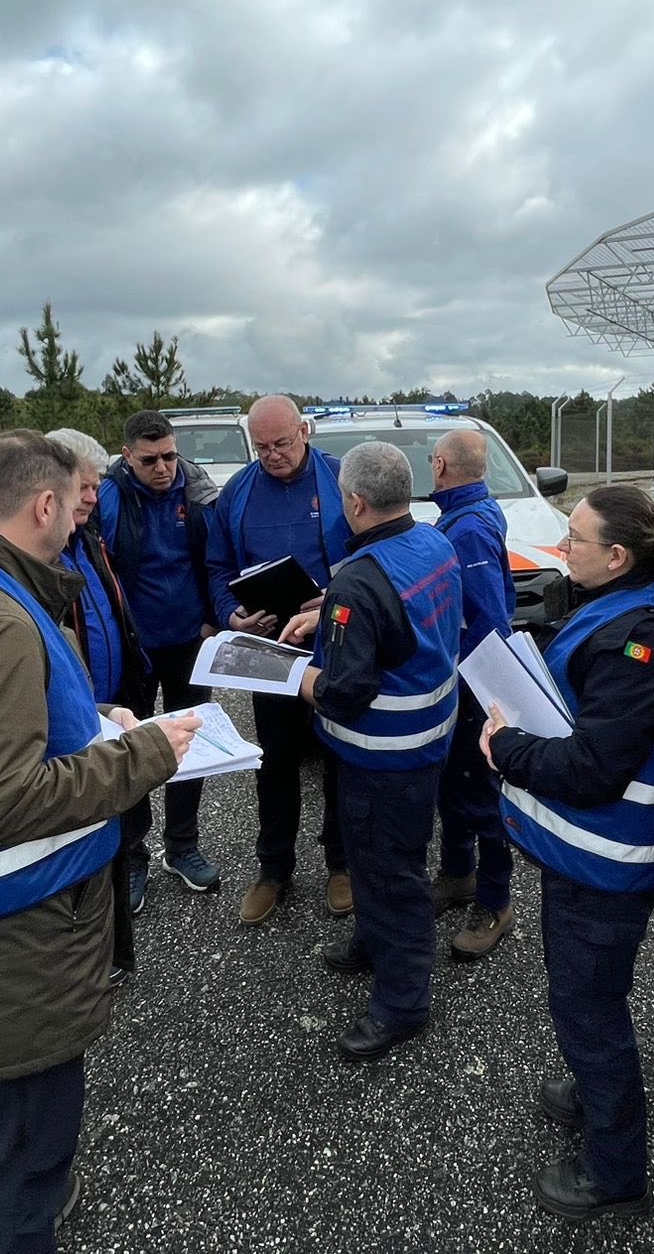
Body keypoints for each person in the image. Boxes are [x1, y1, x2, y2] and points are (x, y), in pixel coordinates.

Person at [0, 430, 200, 1254]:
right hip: (14, 946)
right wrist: (145, 755)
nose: (76, 523)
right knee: (22, 1166)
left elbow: (5, 738)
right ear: (42, 504)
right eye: (72, 506)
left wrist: (97, 725)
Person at [482, 484, 654, 1221]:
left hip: (607, 860)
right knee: (584, 991)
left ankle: (615, 1173)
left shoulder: (643, 646)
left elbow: (590, 769)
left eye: (573, 541)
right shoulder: (625, 609)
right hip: (589, 854)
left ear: (616, 557)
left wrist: (505, 748)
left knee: (588, 1007)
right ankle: (591, 1091)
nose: (561, 550)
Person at [282, 442, 462, 1061]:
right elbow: (399, 625)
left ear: (355, 501)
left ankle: (403, 1002)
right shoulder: (434, 542)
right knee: (377, 859)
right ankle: (372, 939)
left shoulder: (360, 580)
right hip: (427, 741)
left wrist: (296, 678)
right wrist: (331, 616)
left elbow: (346, 693)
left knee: (391, 874)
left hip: (382, 758)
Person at [206, 394, 353, 925]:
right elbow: (218, 566)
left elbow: (372, 554)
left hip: (334, 643)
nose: (273, 455)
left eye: (282, 443)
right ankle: (274, 870)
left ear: (305, 431)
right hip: (269, 648)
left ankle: (341, 862)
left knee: (339, 755)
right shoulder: (238, 493)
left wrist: (337, 597)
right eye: (262, 447)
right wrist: (232, 617)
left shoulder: (341, 480)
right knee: (275, 759)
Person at [95, 410, 222, 905]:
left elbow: (216, 557)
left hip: (190, 638)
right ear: (127, 456)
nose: (163, 467)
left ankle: (182, 845)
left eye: (169, 455)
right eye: (150, 460)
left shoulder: (195, 489)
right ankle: (132, 856)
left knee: (191, 745)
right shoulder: (109, 497)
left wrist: (214, 617)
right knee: (134, 749)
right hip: (136, 647)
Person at [45, 429, 145, 987]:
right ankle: (87, 957)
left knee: (123, 808)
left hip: (109, 703)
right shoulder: (42, 556)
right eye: (84, 486)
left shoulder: (88, 539)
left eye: (97, 485)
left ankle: (114, 939)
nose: (92, 497)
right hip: (77, 723)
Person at [425, 428, 518, 960]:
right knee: (453, 788)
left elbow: (488, 621)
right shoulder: (464, 516)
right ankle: (458, 875)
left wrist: (484, 695)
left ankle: (495, 900)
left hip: (473, 685)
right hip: (459, 684)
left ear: (440, 465)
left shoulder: (470, 530)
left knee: (482, 797)